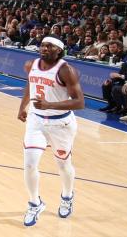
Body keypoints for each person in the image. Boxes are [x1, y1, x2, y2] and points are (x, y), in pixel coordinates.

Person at [17, 37, 86, 226]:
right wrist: (22, 106)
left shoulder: (66, 70)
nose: (44, 48)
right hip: (36, 120)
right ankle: (35, 203)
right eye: (43, 45)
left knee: (63, 164)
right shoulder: (31, 64)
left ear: (59, 51)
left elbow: (80, 102)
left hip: (61, 124)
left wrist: (49, 105)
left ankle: (67, 196)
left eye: (50, 46)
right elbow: (30, 85)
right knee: (29, 164)